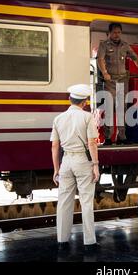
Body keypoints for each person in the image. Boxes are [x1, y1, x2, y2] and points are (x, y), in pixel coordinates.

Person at [50, 84, 100, 252]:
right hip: (82, 162)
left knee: (64, 202)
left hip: (66, 162)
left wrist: (56, 169)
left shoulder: (58, 119)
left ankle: (62, 241)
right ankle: (89, 243)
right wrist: (96, 165)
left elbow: (55, 146)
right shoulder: (87, 117)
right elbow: (92, 143)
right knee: (86, 202)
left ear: (70, 100)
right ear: (84, 102)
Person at [97, 22, 138, 145]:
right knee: (110, 108)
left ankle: (122, 136)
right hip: (110, 81)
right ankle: (108, 137)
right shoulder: (104, 45)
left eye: (119, 32)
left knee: (122, 108)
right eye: (114, 32)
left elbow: (135, 58)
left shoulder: (125, 45)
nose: (117, 35)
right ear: (109, 33)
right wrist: (105, 72)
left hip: (122, 80)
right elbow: (100, 59)